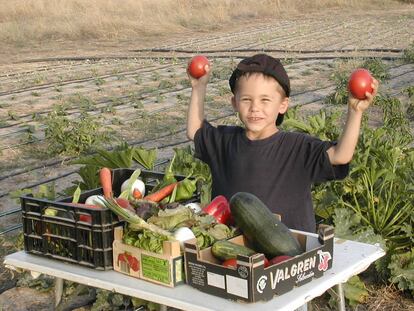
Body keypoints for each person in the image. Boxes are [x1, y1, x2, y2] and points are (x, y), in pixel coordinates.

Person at [186, 53, 378, 233]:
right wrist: (198, 87)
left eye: (265, 100)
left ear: (283, 105)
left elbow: (340, 155)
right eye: (246, 99)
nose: (255, 108)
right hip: (234, 251)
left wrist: (355, 111)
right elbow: (194, 130)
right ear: (234, 103)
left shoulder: (297, 148)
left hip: (288, 258)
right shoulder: (224, 142)